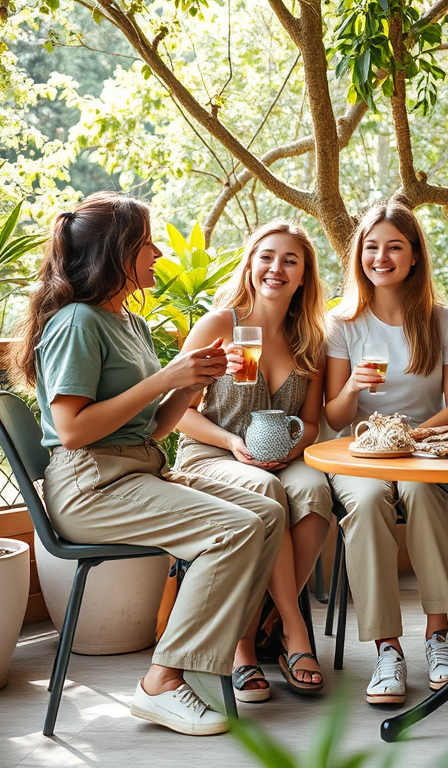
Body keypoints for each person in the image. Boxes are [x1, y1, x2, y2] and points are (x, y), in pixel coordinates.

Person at [7, 192, 284, 735]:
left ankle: (204, 662)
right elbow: (72, 431)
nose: (158, 252)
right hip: (91, 484)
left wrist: (192, 383)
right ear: (118, 252)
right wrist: (167, 378)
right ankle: (162, 680)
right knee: (234, 530)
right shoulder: (78, 323)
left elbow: (152, 427)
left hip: (137, 468)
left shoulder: (128, 323)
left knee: (267, 515)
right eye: (147, 243)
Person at [323, 202, 448, 705]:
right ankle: (386, 647)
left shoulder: (442, 320)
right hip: (359, 451)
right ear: (358, 256)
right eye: (371, 247)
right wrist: (350, 386)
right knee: (366, 504)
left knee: (423, 491)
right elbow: (334, 414)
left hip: (425, 447)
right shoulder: (342, 323)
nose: (381, 256)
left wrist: (411, 441)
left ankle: (437, 635)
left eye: (394, 246)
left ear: (414, 257)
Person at [174, 221, 332, 700]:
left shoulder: (310, 339)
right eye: (266, 256)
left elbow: (311, 423)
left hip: (280, 454)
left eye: (290, 260)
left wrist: (289, 446)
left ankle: (258, 622)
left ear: (304, 276)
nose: (276, 268)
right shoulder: (221, 325)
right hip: (210, 452)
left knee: (315, 489)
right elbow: (177, 411)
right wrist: (230, 442)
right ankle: (275, 634)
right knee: (269, 492)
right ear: (250, 263)